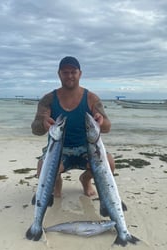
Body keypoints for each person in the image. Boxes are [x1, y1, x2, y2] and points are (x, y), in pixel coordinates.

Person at [31, 56, 115, 197]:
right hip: (59, 149)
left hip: (87, 148)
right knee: (42, 168)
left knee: (110, 163)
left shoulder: (91, 98)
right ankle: (57, 184)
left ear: (79, 74)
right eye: (65, 72)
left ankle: (85, 180)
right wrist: (43, 123)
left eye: (73, 72)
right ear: (59, 74)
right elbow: (35, 129)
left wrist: (100, 121)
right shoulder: (48, 99)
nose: (69, 76)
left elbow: (107, 127)